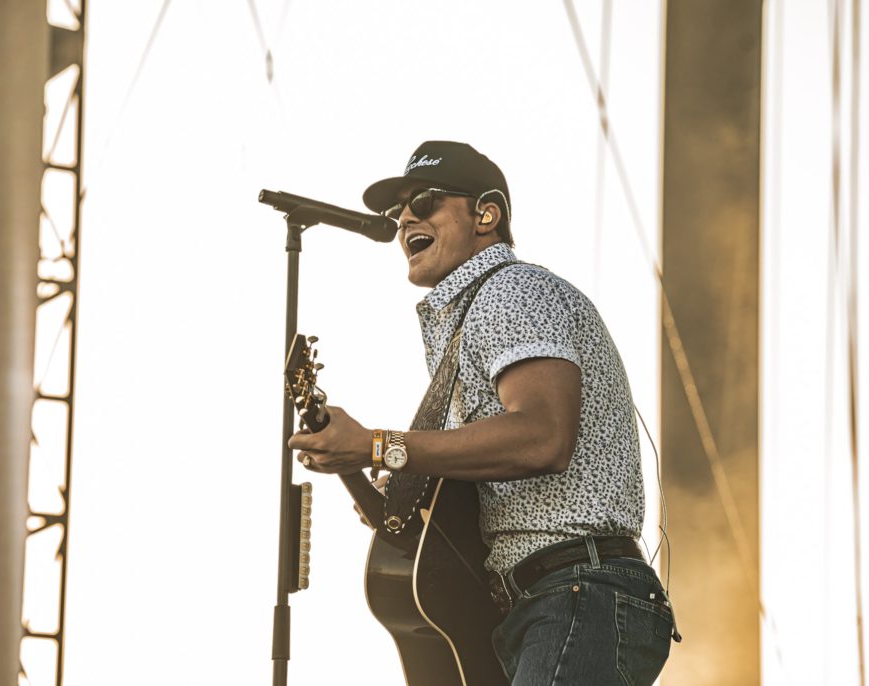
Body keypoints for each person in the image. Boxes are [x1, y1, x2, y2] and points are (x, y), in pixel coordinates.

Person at [288, 141, 676, 685]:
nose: (405, 218)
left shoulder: (512, 291)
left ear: (486, 214)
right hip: (545, 600)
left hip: (579, 589)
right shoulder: (467, 320)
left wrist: (377, 445)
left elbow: (541, 438)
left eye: (424, 201)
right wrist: (381, 475)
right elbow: (456, 504)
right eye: (398, 209)